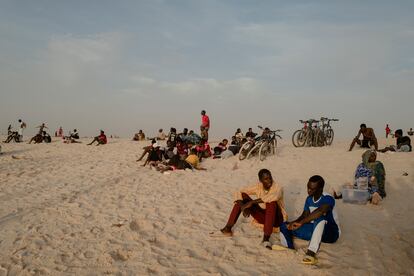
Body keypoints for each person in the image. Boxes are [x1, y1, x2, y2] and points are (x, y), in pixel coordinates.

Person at [277, 175, 340, 265]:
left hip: (331, 233)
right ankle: (288, 247)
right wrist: (294, 223)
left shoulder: (328, 198)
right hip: (315, 231)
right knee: (284, 225)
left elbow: (321, 211)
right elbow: (304, 215)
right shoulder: (309, 199)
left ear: (320, 189)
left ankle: (311, 253)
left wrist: (301, 223)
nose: (309, 190)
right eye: (308, 187)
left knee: (320, 217)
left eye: (312, 189)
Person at [216, 169, 286, 248]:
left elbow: (273, 197)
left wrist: (251, 203)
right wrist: (243, 206)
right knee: (242, 197)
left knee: (271, 203)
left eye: (270, 178)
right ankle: (228, 228)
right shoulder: (258, 186)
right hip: (263, 218)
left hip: (276, 220)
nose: (269, 180)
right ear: (260, 180)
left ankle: (266, 239)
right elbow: (239, 191)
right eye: (266, 179)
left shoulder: (278, 187)